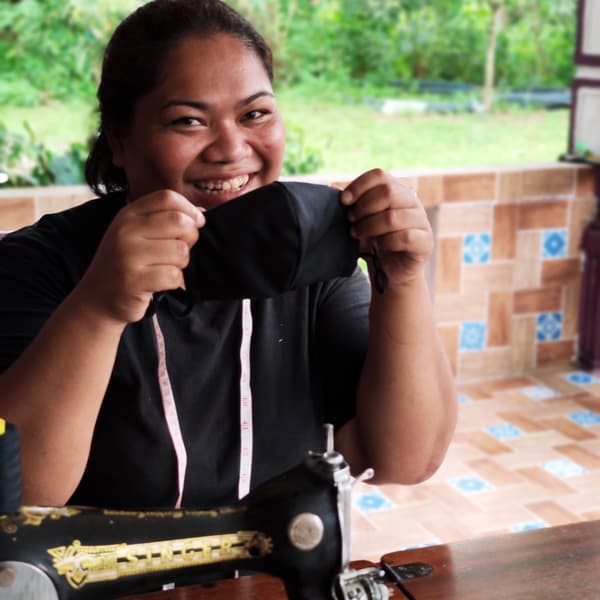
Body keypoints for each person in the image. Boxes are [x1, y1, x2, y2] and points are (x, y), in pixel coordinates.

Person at [0, 0, 457, 510]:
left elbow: (403, 461)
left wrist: (404, 280)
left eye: (254, 114)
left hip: (271, 581)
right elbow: (19, 500)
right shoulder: (35, 266)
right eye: (189, 121)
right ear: (119, 139)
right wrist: (99, 307)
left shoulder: (304, 256)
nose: (231, 148)